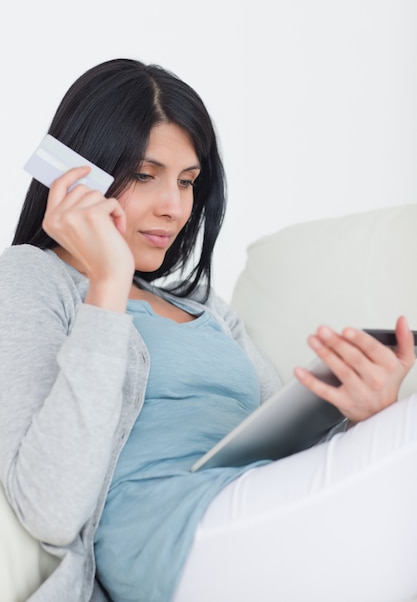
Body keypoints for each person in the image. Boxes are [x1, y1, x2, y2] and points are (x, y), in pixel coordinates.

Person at [0, 58, 416, 602]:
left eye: (188, 181)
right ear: (78, 176)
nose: (173, 207)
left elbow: (288, 452)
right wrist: (108, 282)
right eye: (145, 175)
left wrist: (368, 417)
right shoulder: (29, 278)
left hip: (261, 507)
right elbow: (50, 508)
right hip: (169, 535)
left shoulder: (205, 306)